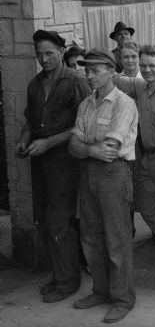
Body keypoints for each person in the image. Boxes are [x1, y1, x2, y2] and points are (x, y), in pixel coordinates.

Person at [15, 30, 91, 303]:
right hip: (41, 163)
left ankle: (69, 281)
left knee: (60, 221)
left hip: (66, 163)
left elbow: (86, 125)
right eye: (39, 54)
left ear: (61, 51)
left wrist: (49, 142)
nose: (44, 59)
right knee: (46, 220)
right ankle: (60, 275)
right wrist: (24, 140)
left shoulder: (76, 81)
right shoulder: (35, 84)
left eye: (49, 53)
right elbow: (30, 121)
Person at [68, 48, 138, 323]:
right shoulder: (85, 105)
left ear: (111, 71)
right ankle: (101, 290)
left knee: (116, 239)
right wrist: (89, 150)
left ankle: (123, 298)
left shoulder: (124, 103)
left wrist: (86, 148)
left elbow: (110, 149)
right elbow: (73, 147)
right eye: (87, 70)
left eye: (96, 70)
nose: (90, 75)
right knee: (90, 236)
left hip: (113, 174)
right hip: (88, 175)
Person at [113, 45, 155, 275]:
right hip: (148, 160)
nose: (147, 69)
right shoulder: (141, 87)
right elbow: (113, 78)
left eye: (152, 65)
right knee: (149, 208)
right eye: (143, 66)